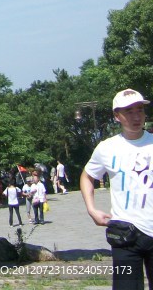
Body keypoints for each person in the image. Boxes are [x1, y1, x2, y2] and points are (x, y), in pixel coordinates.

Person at [82, 88, 153, 290]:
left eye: (139, 110)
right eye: (128, 111)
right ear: (117, 116)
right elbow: (87, 176)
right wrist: (91, 209)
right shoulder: (107, 148)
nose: (136, 116)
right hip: (126, 234)